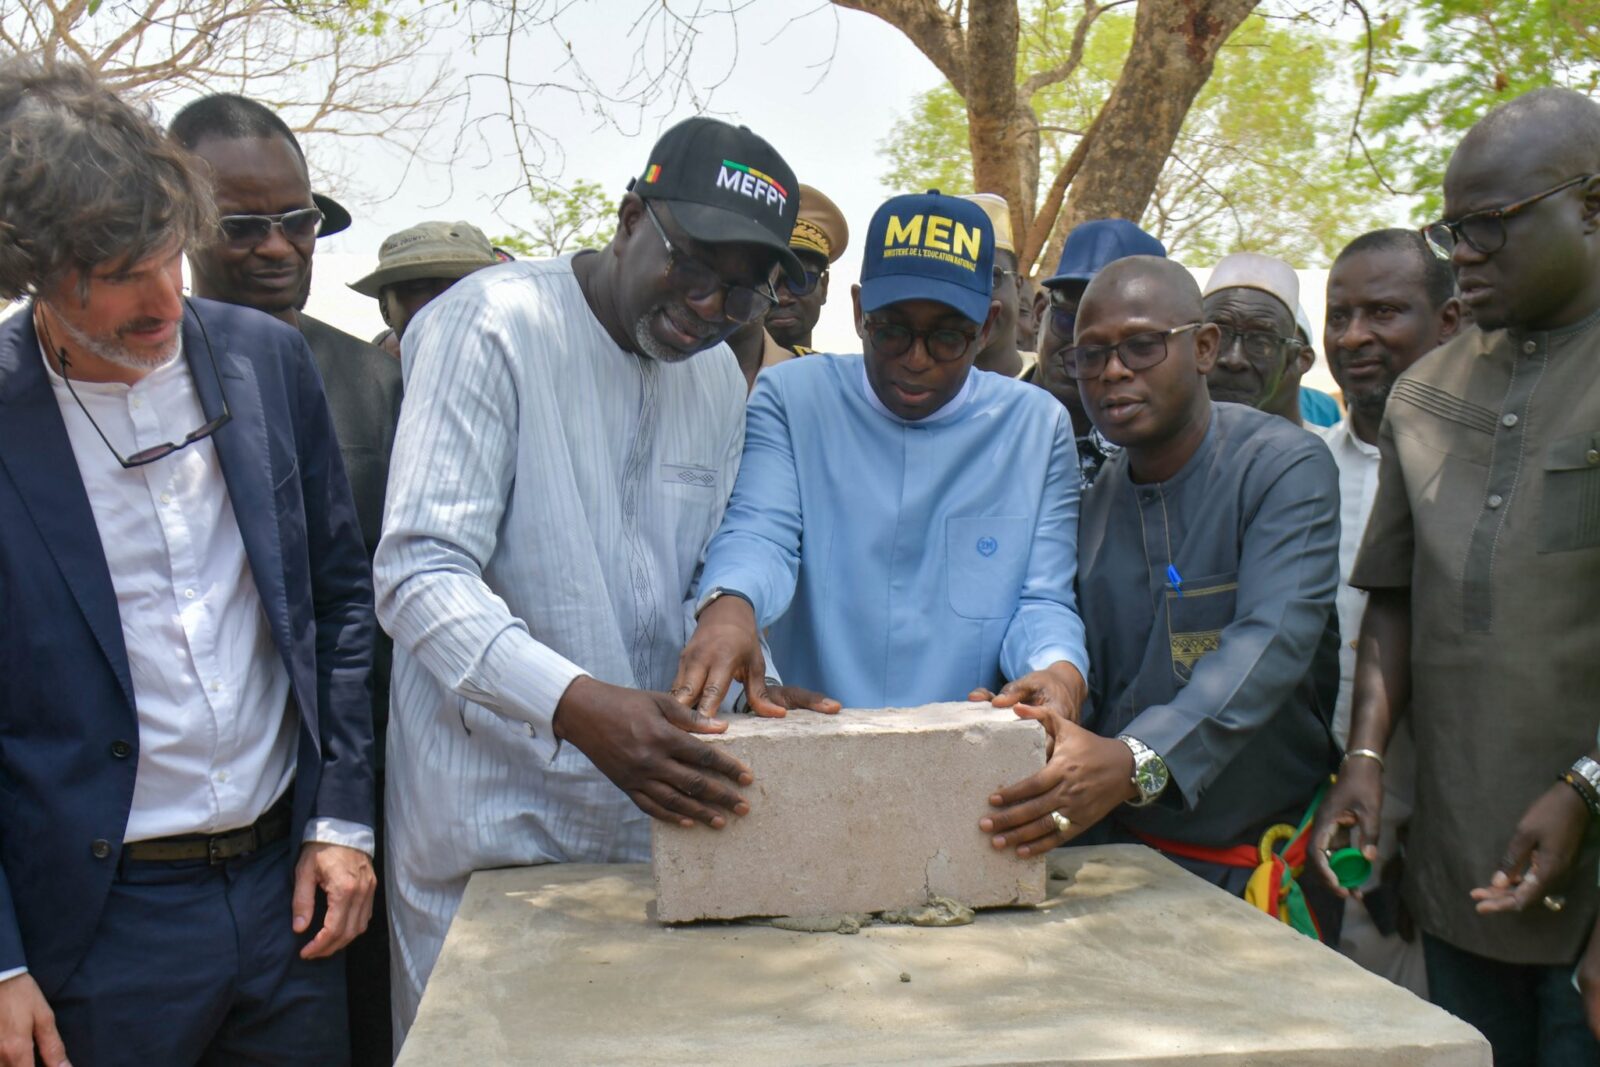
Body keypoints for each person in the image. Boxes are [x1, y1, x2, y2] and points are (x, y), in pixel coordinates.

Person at [374, 116, 805, 1040]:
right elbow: (418, 572)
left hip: (652, 838)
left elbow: (698, 576)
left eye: (741, 292)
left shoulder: (714, 379)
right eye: (694, 267)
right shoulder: (490, 323)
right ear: (630, 217)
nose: (709, 306)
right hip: (493, 836)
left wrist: (747, 675)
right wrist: (575, 704)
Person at [0, 59, 376, 1066]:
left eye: (171, 254)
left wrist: (341, 818)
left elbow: (339, 601)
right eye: (120, 271)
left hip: (286, 902)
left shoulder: (265, 361)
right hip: (95, 931)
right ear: (32, 265)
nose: (164, 297)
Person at [1312, 87, 1600, 1065]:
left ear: (1591, 207)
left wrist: (1587, 785)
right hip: (1461, 868)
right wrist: (1364, 758)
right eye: (1452, 230)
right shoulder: (1426, 396)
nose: (1462, 254)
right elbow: (1397, 594)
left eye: (1488, 225)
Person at [983, 256, 1343, 938]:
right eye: (1092, 354)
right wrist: (1048, 701)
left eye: (1142, 345)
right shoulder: (1094, 503)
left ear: (1203, 347)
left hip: (1250, 874)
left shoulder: (1283, 467)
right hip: (1113, 863)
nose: (1113, 371)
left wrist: (1138, 760)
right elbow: (1091, 665)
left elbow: (1270, 641)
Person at [169, 92, 401, 1067]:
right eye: (242, 226)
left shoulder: (372, 380)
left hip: (353, 806)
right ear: (180, 225)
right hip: (178, 846)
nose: (277, 248)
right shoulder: (123, 390)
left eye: (297, 221)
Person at [672, 190, 1088, 727]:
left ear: (986, 327)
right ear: (858, 311)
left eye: (947, 338)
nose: (915, 360)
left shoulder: (1036, 427)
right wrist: (731, 605)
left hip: (967, 742)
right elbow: (760, 532)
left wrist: (1058, 668)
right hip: (812, 734)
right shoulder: (794, 398)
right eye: (891, 331)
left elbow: (1043, 598)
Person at [1312, 228, 1460, 995]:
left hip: (1445, 834)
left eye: (1383, 312)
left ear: (1448, 321)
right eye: (1339, 316)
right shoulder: (1301, 468)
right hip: (1313, 815)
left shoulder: (1477, 473)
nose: (1353, 337)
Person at [1029, 218, 1167, 488]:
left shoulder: (1158, 460)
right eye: (1069, 320)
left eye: (1126, 339)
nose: (1082, 346)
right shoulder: (979, 420)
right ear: (1038, 313)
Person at [349, 220, 501, 354]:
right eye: (419, 287)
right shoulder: (353, 374)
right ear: (385, 309)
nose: (445, 303)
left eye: (463, 286)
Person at [1202, 252, 1319, 426]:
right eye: (1220, 336)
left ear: (1289, 359)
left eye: (1260, 343)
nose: (1234, 360)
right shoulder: (1159, 436)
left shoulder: (1319, 444)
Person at [764, 182, 848, 358]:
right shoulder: (716, 367)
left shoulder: (841, 375)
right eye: (770, 283)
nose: (783, 298)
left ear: (824, 287)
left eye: (799, 281)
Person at [960, 192, 1026, 377]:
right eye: (959, 282)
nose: (974, 296)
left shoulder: (1051, 383)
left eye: (990, 279)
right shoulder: (912, 387)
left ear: (1018, 287)